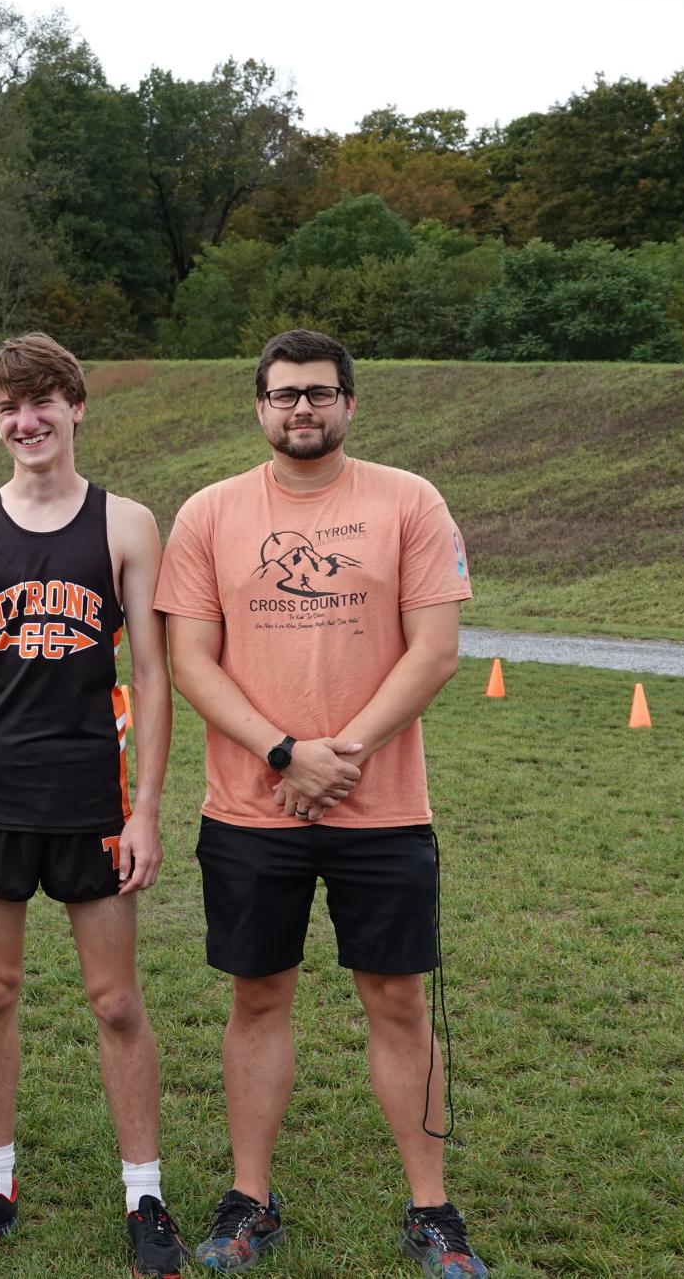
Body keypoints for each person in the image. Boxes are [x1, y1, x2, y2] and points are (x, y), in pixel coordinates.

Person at [157, 329, 484, 1278]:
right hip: (249, 808)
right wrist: (281, 751)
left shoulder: (408, 500)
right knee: (257, 998)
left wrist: (339, 758)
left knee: (396, 999)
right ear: (257, 407)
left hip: (380, 808)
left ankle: (431, 1209)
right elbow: (189, 660)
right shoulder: (210, 514)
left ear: (350, 403)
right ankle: (249, 1199)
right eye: (284, 394)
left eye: (320, 393)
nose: (302, 408)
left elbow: (435, 649)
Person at [0, 333, 183, 1275]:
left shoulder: (125, 524)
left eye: (40, 403)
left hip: (92, 796)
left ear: (76, 406)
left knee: (115, 1001)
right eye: (6, 410)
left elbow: (150, 675)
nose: (24, 422)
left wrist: (145, 808)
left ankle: (144, 1195)